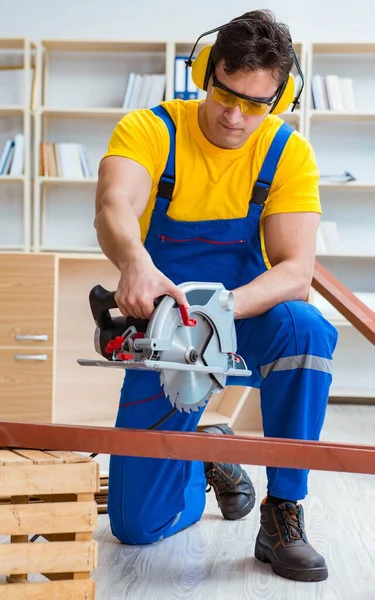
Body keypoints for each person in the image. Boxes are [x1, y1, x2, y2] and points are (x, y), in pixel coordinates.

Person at [94, 9, 338, 582]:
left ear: (280, 96)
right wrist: (134, 262)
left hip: (241, 318)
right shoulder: (151, 128)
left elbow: (295, 270)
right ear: (206, 70)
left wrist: (218, 310)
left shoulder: (287, 152)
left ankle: (283, 511)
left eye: (256, 104)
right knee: (137, 527)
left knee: (306, 327)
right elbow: (114, 205)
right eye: (227, 95)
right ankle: (207, 448)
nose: (235, 116)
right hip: (166, 334)